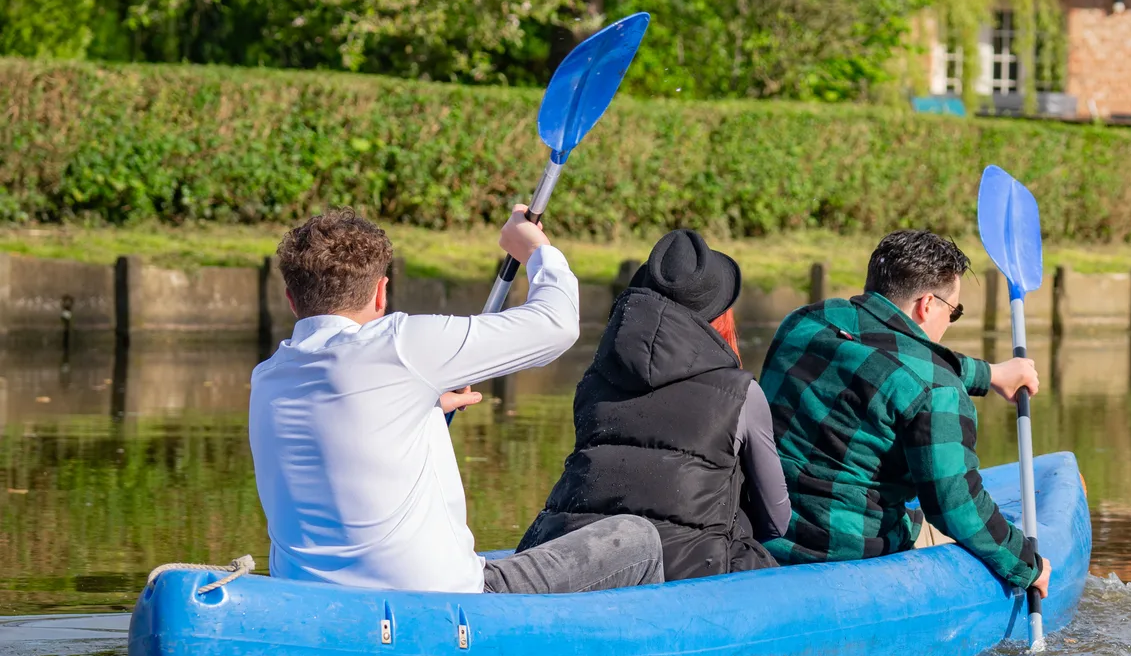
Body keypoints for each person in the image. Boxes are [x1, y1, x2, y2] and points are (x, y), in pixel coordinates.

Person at [249, 207, 664, 594]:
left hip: (311, 599)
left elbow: (346, 433)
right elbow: (556, 325)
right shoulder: (399, 344)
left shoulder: (267, 378)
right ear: (381, 293)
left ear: (290, 299)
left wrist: (424, 406)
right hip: (446, 604)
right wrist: (537, 250)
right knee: (638, 538)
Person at [759, 229, 1051, 600]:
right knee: (971, 533)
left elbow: (889, 352)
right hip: (847, 548)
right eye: (954, 312)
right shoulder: (938, 390)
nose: (950, 322)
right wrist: (1029, 564)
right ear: (927, 304)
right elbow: (956, 507)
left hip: (764, 530)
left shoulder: (806, 323)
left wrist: (991, 374)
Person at [517, 229, 791, 581]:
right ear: (721, 315)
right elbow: (776, 521)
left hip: (564, 548)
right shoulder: (742, 394)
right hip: (688, 571)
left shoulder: (593, 380)